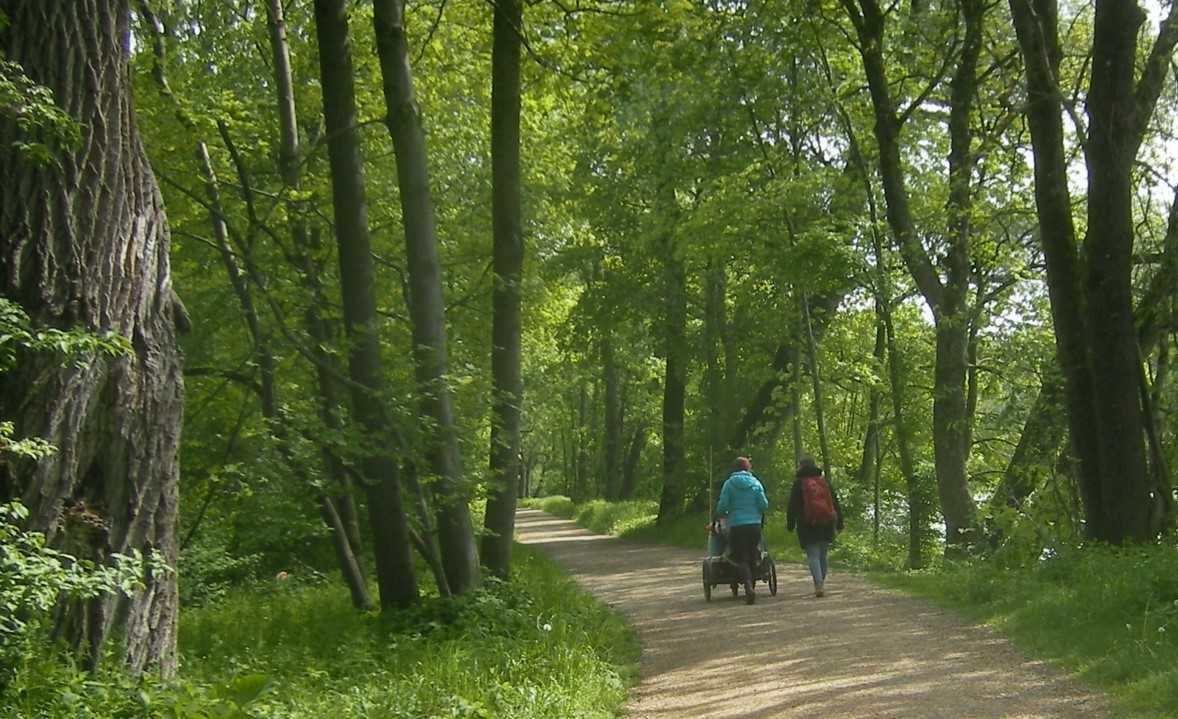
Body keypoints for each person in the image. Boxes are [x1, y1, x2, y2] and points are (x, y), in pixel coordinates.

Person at [786, 456, 844, 598]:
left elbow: (792, 505)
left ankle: (818, 584)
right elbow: (835, 502)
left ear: (801, 467)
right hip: (826, 522)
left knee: (813, 555)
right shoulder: (824, 482)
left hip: (807, 523)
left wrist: (790, 523)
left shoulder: (799, 484)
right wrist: (840, 521)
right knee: (823, 555)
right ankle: (821, 583)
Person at [715, 456, 768, 604]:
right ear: (748, 468)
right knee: (752, 554)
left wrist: (725, 512)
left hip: (737, 525)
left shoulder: (729, 484)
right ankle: (752, 586)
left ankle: (748, 586)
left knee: (741, 557)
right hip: (754, 525)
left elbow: (722, 506)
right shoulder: (756, 483)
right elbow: (764, 504)